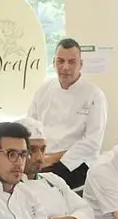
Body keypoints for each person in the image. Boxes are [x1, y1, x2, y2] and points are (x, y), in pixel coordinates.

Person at [27, 38, 107, 189]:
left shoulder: (94, 95)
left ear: (80, 64)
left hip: (77, 162)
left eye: (71, 62)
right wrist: (36, 156)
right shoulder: (43, 90)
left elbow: (92, 143)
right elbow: (30, 126)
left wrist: (52, 159)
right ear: (54, 62)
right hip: (42, 157)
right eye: (60, 61)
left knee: (43, 186)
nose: (65, 67)